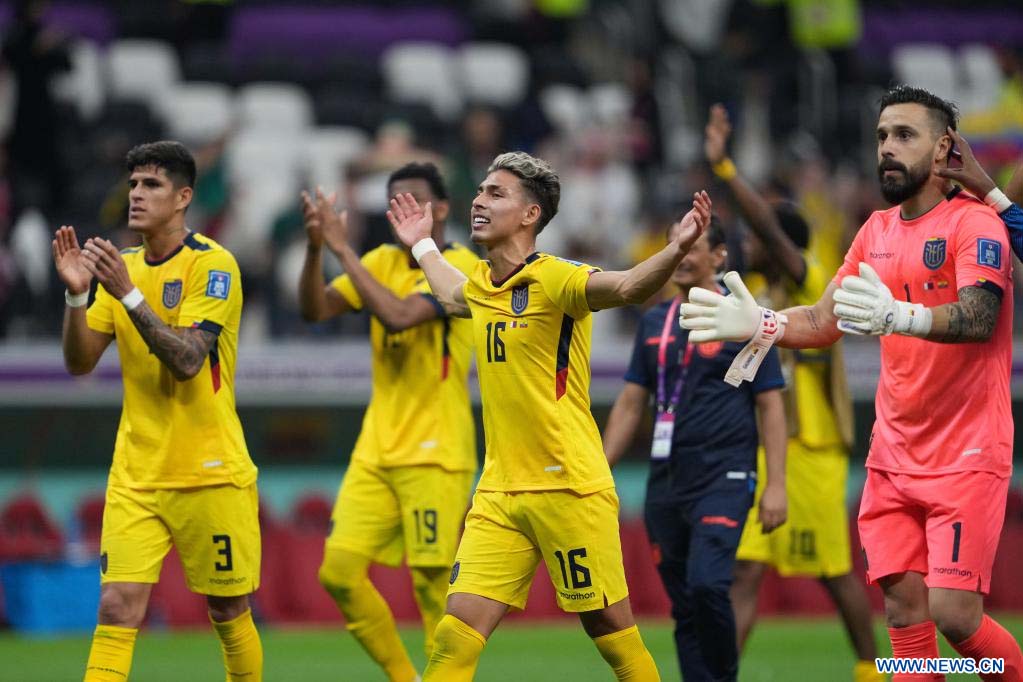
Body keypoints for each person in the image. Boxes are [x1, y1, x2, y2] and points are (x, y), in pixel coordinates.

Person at [681, 86, 1023, 680]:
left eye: (905, 136)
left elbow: (980, 316)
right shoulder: (875, 230)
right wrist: (760, 322)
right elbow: (820, 319)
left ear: (945, 148)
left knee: (954, 614)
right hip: (893, 456)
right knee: (901, 609)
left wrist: (902, 316)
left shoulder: (977, 223)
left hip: (966, 452)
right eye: (883, 136)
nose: (887, 149)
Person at [388, 149, 712, 681]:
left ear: (530, 214)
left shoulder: (556, 279)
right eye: (479, 191)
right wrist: (422, 242)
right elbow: (449, 291)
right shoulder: (483, 286)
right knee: (453, 636)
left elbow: (628, 287)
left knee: (611, 634)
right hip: (499, 492)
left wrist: (675, 249)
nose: (478, 201)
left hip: (569, 488)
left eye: (496, 194)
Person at [53, 141, 262, 681]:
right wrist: (79, 297)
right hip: (137, 473)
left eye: (152, 185)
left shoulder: (213, 265)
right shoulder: (118, 270)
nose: (137, 195)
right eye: (134, 185)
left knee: (227, 610)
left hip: (209, 471)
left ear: (184, 197)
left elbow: (190, 359)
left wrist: (128, 298)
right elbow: (79, 362)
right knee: (116, 607)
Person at [703, 104, 883, 682]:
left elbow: (769, 234)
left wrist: (727, 171)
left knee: (832, 573)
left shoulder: (814, 278)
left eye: (759, 237)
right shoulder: (752, 291)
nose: (747, 244)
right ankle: (720, 674)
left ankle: (871, 666)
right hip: (760, 447)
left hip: (811, 451)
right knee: (746, 572)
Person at [298, 162, 478, 682]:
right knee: (338, 572)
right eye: (393, 201)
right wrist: (316, 247)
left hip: (437, 451)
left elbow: (400, 314)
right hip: (377, 450)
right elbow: (316, 310)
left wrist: (341, 249)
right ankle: (408, 677)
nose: (400, 210)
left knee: (430, 581)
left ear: (440, 209)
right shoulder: (378, 259)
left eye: (413, 201)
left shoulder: (462, 266)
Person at [602, 216, 787, 681]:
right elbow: (630, 402)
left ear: (720, 257)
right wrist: (600, 471)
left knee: (708, 584)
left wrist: (777, 485)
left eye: (693, 246)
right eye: (674, 245)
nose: (681, 254)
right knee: (684, 605)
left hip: (724, 474)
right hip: (665, 481)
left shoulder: (746, 319)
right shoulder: (653, 321)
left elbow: (769, 404)